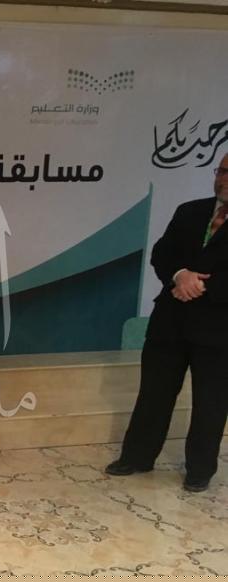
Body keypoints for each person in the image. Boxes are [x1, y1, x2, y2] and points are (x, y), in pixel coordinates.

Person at [106, 153, 228, 492]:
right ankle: (137, 457)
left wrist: (201, 285)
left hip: (218, 330)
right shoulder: (190, 211)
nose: (223, 178)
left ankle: (199, 470)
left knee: (211, 403)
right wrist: (180, 275)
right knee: (154, 394)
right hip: (170, 322)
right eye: (221, 171)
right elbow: (162, 253)